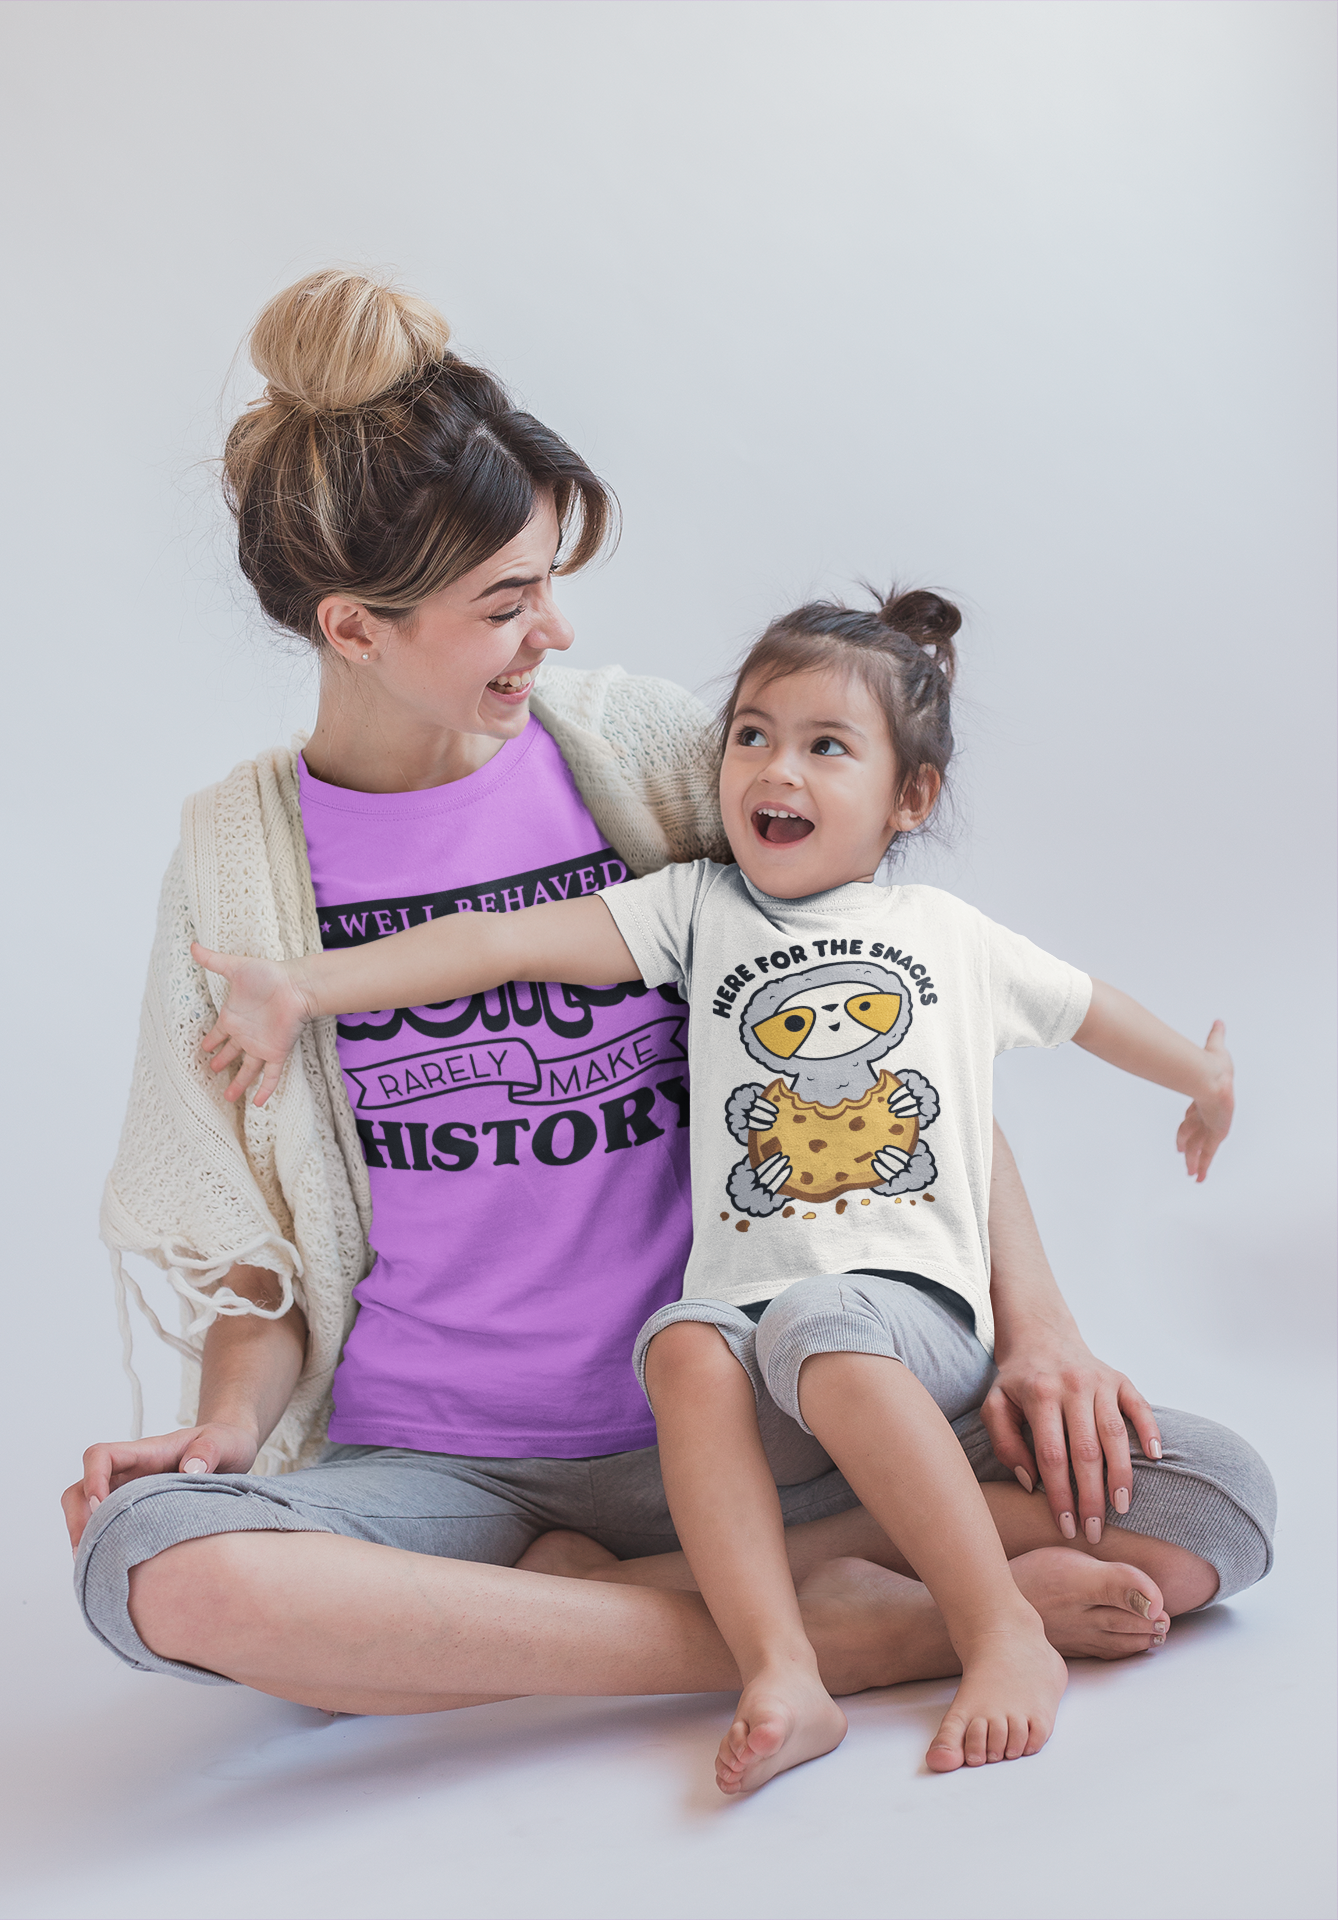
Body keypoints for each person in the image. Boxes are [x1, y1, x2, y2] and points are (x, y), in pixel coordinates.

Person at [67, 267, 1275, 1740]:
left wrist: (1040, 1329)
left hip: (749, 1407)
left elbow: (891, 1019)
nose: (554, 631)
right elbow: (253, 1256)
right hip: (443, 1469)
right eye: (507, 603)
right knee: (155, 1566)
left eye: (548, 584)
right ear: (356, 628)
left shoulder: (639, 755)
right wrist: (224, 1432)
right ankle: (830, 1633)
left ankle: (563, 1618)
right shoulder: (235, 867)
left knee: (1206, 1504)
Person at [191, 587, 1238, 1790]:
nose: (775, 768)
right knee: (683, 1346)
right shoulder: (696, 908)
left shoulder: (945, 932)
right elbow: (500, 943)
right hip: (751, 1325)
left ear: (910, 799)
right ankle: (786, 1663)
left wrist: (1202, 1078)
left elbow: (1093, 1012)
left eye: (826, 747)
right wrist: (305, 986)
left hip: (906, 1318)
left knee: (864, 1341)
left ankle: (998, 1631)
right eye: (751, 734)